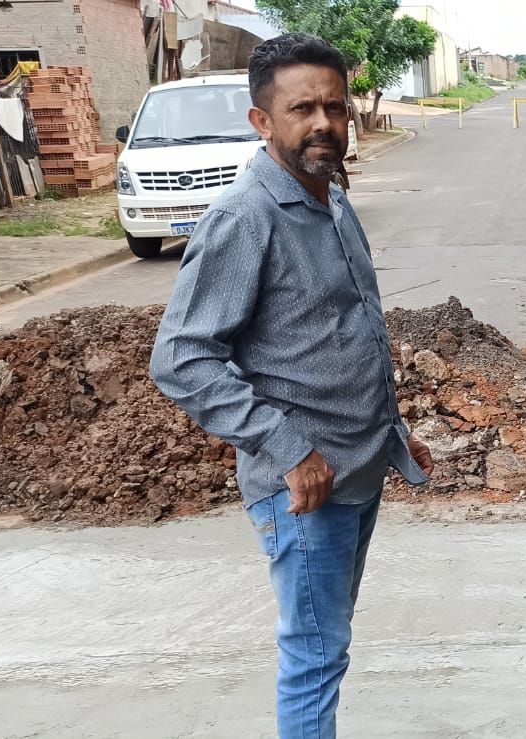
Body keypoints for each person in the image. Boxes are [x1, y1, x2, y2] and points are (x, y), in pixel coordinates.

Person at [150, 33, 435, 738]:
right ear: (262, 120)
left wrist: (392, 427)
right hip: (306, 490)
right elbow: (181, 357)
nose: (323, 124)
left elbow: (343, 327)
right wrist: (287, 446)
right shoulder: (245, 218)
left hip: (359, 469)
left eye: (335, 108)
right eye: (302, 108)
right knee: (313, 656)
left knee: (326, 645)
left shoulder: (329, 195)